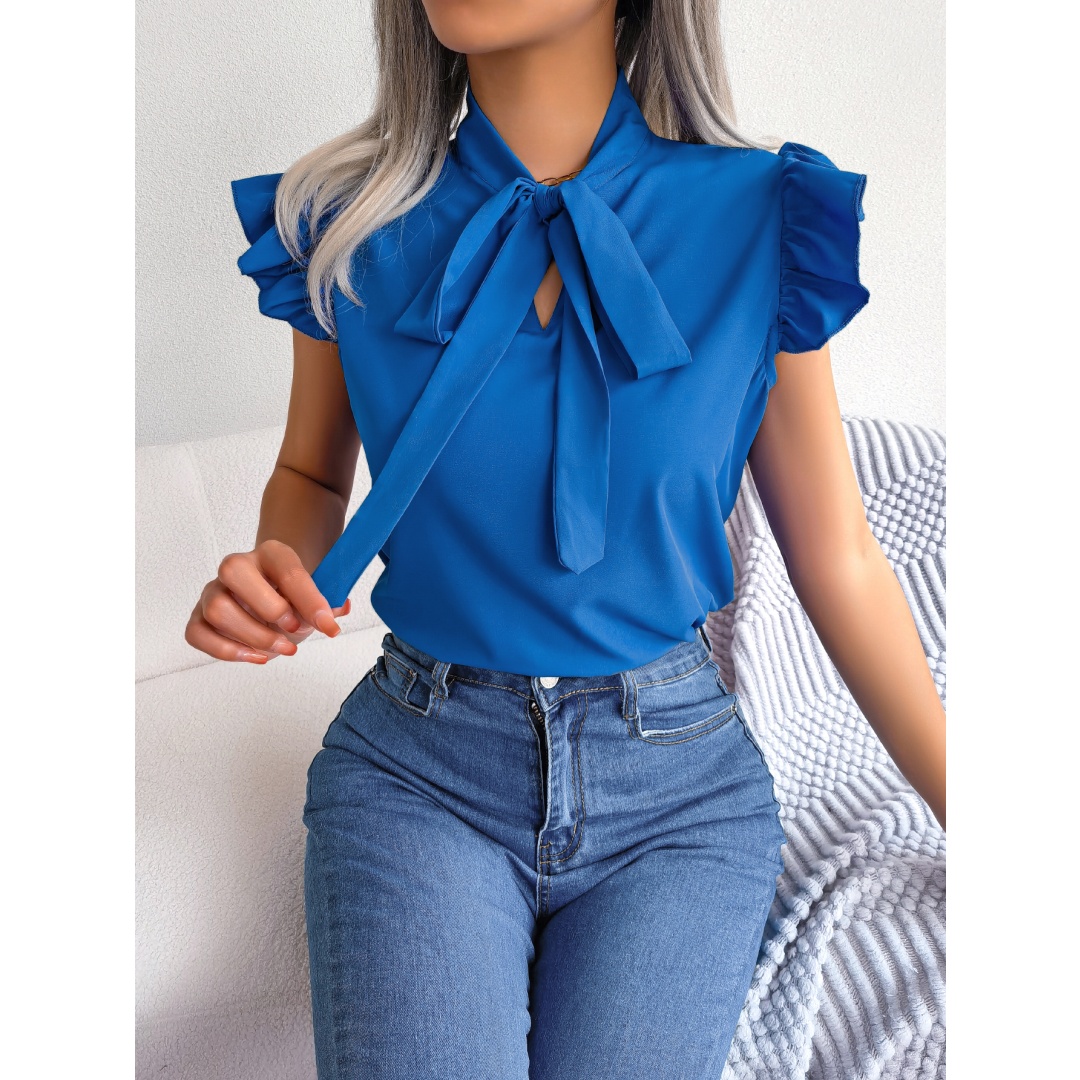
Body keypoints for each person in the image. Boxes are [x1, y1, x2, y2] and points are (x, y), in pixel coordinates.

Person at [185, 1, 946, 1076]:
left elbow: (841, 559)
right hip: (419, 773)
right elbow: (311, 475)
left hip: (680, 800)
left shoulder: (761, 216)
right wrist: (279, 568)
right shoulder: (345, 217)